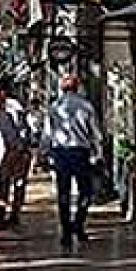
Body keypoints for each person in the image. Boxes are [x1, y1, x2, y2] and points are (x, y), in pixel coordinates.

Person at [41, 73, 103, 253]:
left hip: (60, 153)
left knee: (63, 193)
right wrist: (98, 153)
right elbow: (95, 133)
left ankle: (66, 231)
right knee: (86, 191)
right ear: (77, 88)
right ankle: (78, 224)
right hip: (80, 152)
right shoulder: (86, 106)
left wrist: (43, 152)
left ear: (62, 88)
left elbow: (47, 133)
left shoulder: (54, 107)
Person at [0, 84, 32, 228]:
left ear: (2, 93)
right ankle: (3, 213)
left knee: (14, 183)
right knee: (5, 183)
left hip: (14, 150)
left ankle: (13, 214)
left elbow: (22, 129)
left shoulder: (12, 108)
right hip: (8, 150)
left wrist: (19, 147)